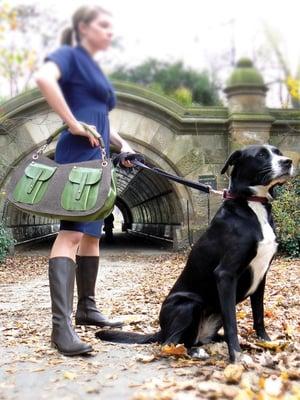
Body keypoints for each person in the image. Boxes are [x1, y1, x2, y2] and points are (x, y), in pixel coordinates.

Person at [35, 5, 134, 356]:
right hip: (78, 153)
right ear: (83, 27)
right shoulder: (69, 56)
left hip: (100, 157)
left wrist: (126, 145)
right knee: (72, 233)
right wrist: (73, 123)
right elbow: (44, 79)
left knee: (92, 236)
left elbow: (103, 118)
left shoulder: (93, 69)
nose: (110, 31)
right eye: (104, 25)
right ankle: (61, 329)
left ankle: (87, 307)